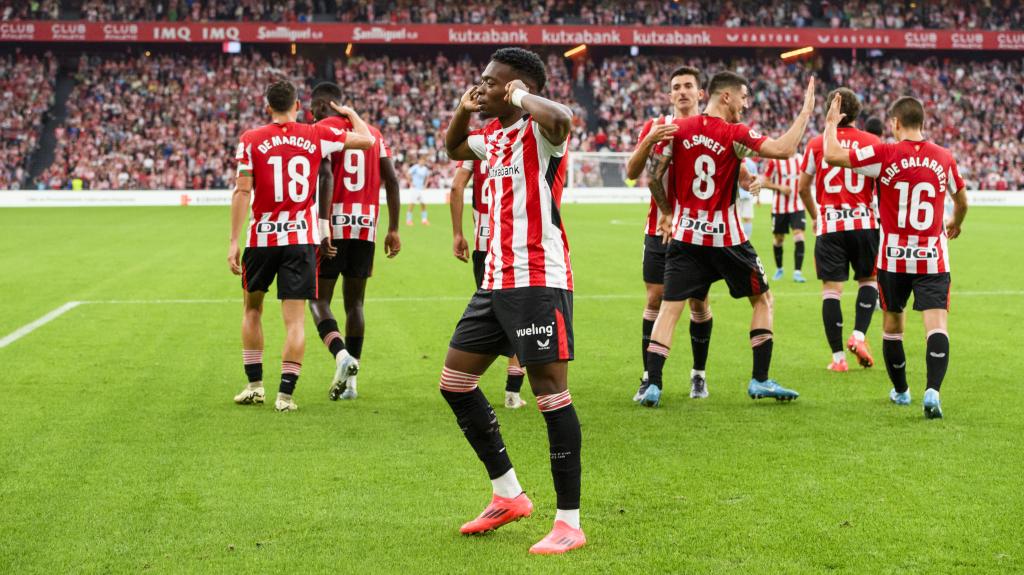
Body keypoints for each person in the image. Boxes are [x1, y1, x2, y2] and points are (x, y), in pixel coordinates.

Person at [444, 47, 584, 555]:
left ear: (515, 87)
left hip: (537, 279)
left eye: (489, 81)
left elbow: (563, 118)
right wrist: (465, 106)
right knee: (455, 382)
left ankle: (569, 521)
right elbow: (454, 146)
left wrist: (521, 96)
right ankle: (508, 494)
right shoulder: (494, 139)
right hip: (496, 280)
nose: (481, 87)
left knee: (550, 394)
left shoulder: (537, 134)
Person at [640, 72, 816, 407]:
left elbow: (653, 176)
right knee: (763, 300)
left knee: (669, 310)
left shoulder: (680, 129)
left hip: (686, 235)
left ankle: (654, 384)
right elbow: (785, 148)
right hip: (726, 239)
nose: (745, 104)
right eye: (743, 97)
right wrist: (806, 111)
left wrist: (666, 211)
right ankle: (761, 380)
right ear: (726, 97)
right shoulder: (735, 132)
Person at [227, 80, 374, 412]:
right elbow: (366, 141)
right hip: (299, 240)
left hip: (262, 238)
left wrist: (234, 241)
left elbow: (242, 191)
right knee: (294, 321)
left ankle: (254, 386)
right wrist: (350, 113)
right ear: (297, 106)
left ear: (268, 108)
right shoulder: (314, 135)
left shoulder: (250, 139)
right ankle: (285, 396)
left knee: (252, 310)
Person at [824, 94, 968, 418]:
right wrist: (955, 223)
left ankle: (902, 391)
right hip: (932, 256)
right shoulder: (944, 157)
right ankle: (932, 391)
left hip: (893, 258)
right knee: (937, 327)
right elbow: (962, 200)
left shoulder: (884, 153)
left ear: (896, 123)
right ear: (923, 123)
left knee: (892, 327)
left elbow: (832, 154)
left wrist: (832, 121)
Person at [624, 66, 760, 402]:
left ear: (701, 94)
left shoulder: (717, 130)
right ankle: (649, 377)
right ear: (669, 95)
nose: (682, 91)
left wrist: (748, 180)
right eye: (676, 87)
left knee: (699, 303)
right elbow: (631, 172)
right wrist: (648, 141)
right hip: (659, 227)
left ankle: (698, 375)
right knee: (655, 298)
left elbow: (737, 170)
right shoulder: (657, 127)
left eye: (688, 86)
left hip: (697, 232)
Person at [307, 81, 402, 401]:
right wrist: (394, 228)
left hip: (333, 223)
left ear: (321, 106)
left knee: (318, 299)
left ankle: (341, 355)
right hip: (366, 225)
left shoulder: (320, 129)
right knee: (356, 304)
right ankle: (351, 384)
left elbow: (325, 176)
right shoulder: (373, 133)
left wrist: (323, 227)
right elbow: (391, 179)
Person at [798, 88, 882, 372]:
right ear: (857, 112)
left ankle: (838, 360)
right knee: (868, 281)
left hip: (830, 223)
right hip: (864, 222)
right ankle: (858, 336)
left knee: (831, 291)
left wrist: (814, 214)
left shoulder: (817, 143)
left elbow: (802, 187)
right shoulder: (873, 142)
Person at [449, 158, 528, 409]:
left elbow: (456, 187)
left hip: (484, 247)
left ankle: (464, 379)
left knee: (490, 315)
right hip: (513, 245)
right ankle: (512, 393)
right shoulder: (514, 143)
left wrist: (458, 233)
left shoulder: (475, 147)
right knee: (521, 318)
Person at [762, 153, 807, 283]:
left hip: (797, 205)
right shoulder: (775, 161)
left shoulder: (801, 159)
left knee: (799, 235)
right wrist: (779, 187)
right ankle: (779, 269)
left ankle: (797, 272)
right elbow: (764, 181)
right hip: (779, 207)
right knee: (779, 238)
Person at [407, 158, 430, 225]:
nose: (422, 162)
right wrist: (410, 183)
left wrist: (425, 185)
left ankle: (424, 220)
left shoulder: (425, 169)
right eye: (421, 161)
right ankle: (409, 220)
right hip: (414, 189)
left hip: (421, 189)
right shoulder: (415, 167)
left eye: (423, 161)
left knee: (423, 204)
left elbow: (427, 177)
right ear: (419, 161)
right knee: (412, 204)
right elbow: (408, 174)